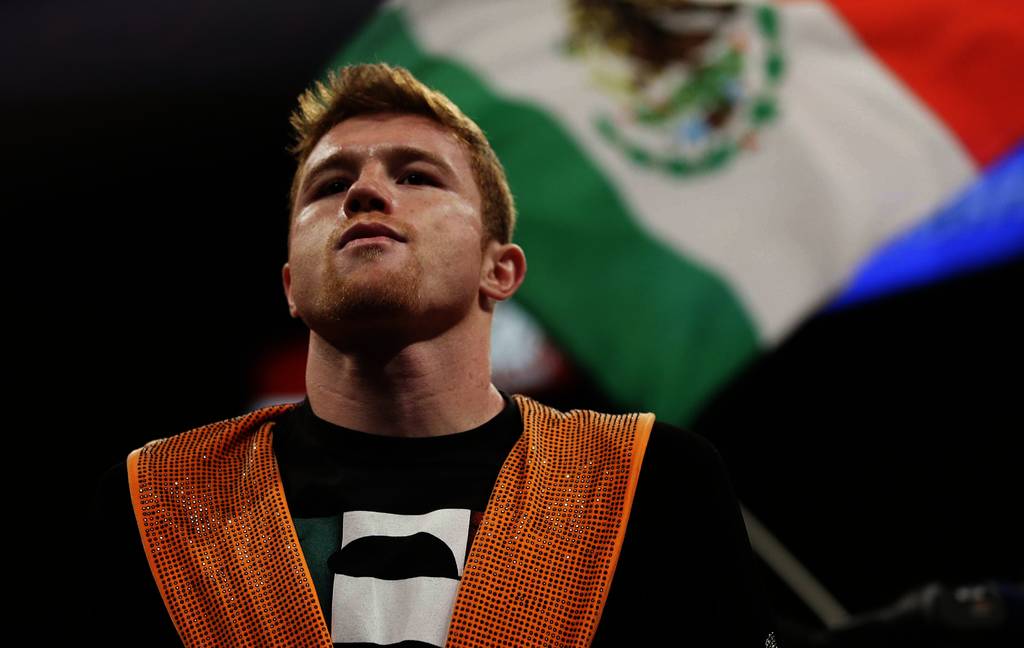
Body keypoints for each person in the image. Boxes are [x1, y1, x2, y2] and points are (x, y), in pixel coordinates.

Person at [90, 63, 777, 647]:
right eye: (329, 185)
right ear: (291, 287)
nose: (363, 192)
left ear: (499, 270)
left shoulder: (653, 481)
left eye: (417, 176)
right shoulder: (160, 500)